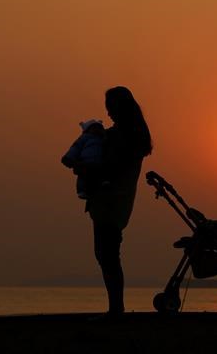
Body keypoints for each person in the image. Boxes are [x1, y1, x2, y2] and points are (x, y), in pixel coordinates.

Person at [84, 86, 152, 316]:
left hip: (111, 199)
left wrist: (86, 169)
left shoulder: (124, 136)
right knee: (107, 252)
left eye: (111, 108)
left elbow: (110, 166)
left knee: (107, 253)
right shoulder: (130, 134)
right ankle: (116, 306)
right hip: (115, 200)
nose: (109, 113)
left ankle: (116, 307)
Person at [61, 119, 106, 199]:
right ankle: (82, 190)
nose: (96, 129)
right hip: (85, 162)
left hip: (99, 162)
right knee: (83, 176)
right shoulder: (84, 138)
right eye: (94, 127)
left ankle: (103, 183)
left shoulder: (103, 139)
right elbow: (75, 148)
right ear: (88, 130)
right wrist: (68, 158)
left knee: (100, 173)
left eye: (99, 128)